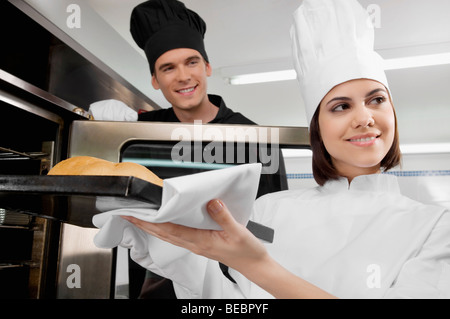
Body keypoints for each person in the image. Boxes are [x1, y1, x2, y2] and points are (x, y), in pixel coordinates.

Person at [117, 0, 450, 298]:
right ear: (317, 126)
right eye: (340, 106)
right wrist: (177, 258)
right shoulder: (271, 212)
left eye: (376, 99)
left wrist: (257, 264)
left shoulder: (435, 226)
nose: (364, 118)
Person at [125, 0, 287, 298]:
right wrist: (103, 126)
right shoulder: (139, 134)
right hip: (155, 284)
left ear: (208, 66)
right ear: (155, 80)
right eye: (168, 68)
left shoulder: (253, 138)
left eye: (192, 62)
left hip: (232, 288)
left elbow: (273, 229)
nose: (183, 76)